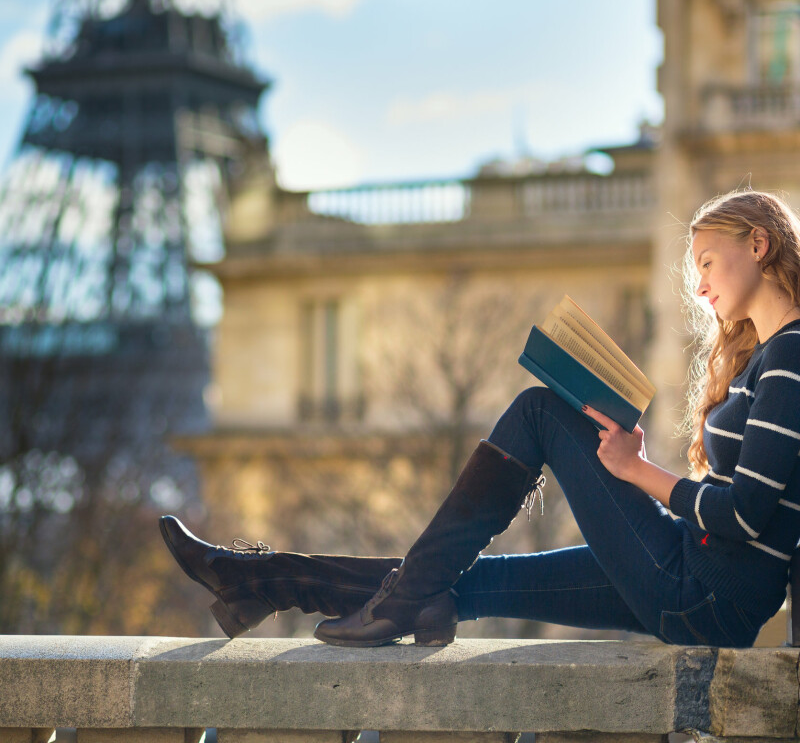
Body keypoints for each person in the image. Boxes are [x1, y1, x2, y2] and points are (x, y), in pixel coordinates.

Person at [161, 189, 800, 648]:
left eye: (707, 263)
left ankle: (359, 593)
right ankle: (265, 582)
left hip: (703, 589)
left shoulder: (791, 355)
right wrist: (631, 464)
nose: (700, 287)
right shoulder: (769, 357)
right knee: (463, 585)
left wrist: (636, 471)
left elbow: (742, 514)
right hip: (698, 586)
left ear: (759, 244)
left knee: (541, 410)